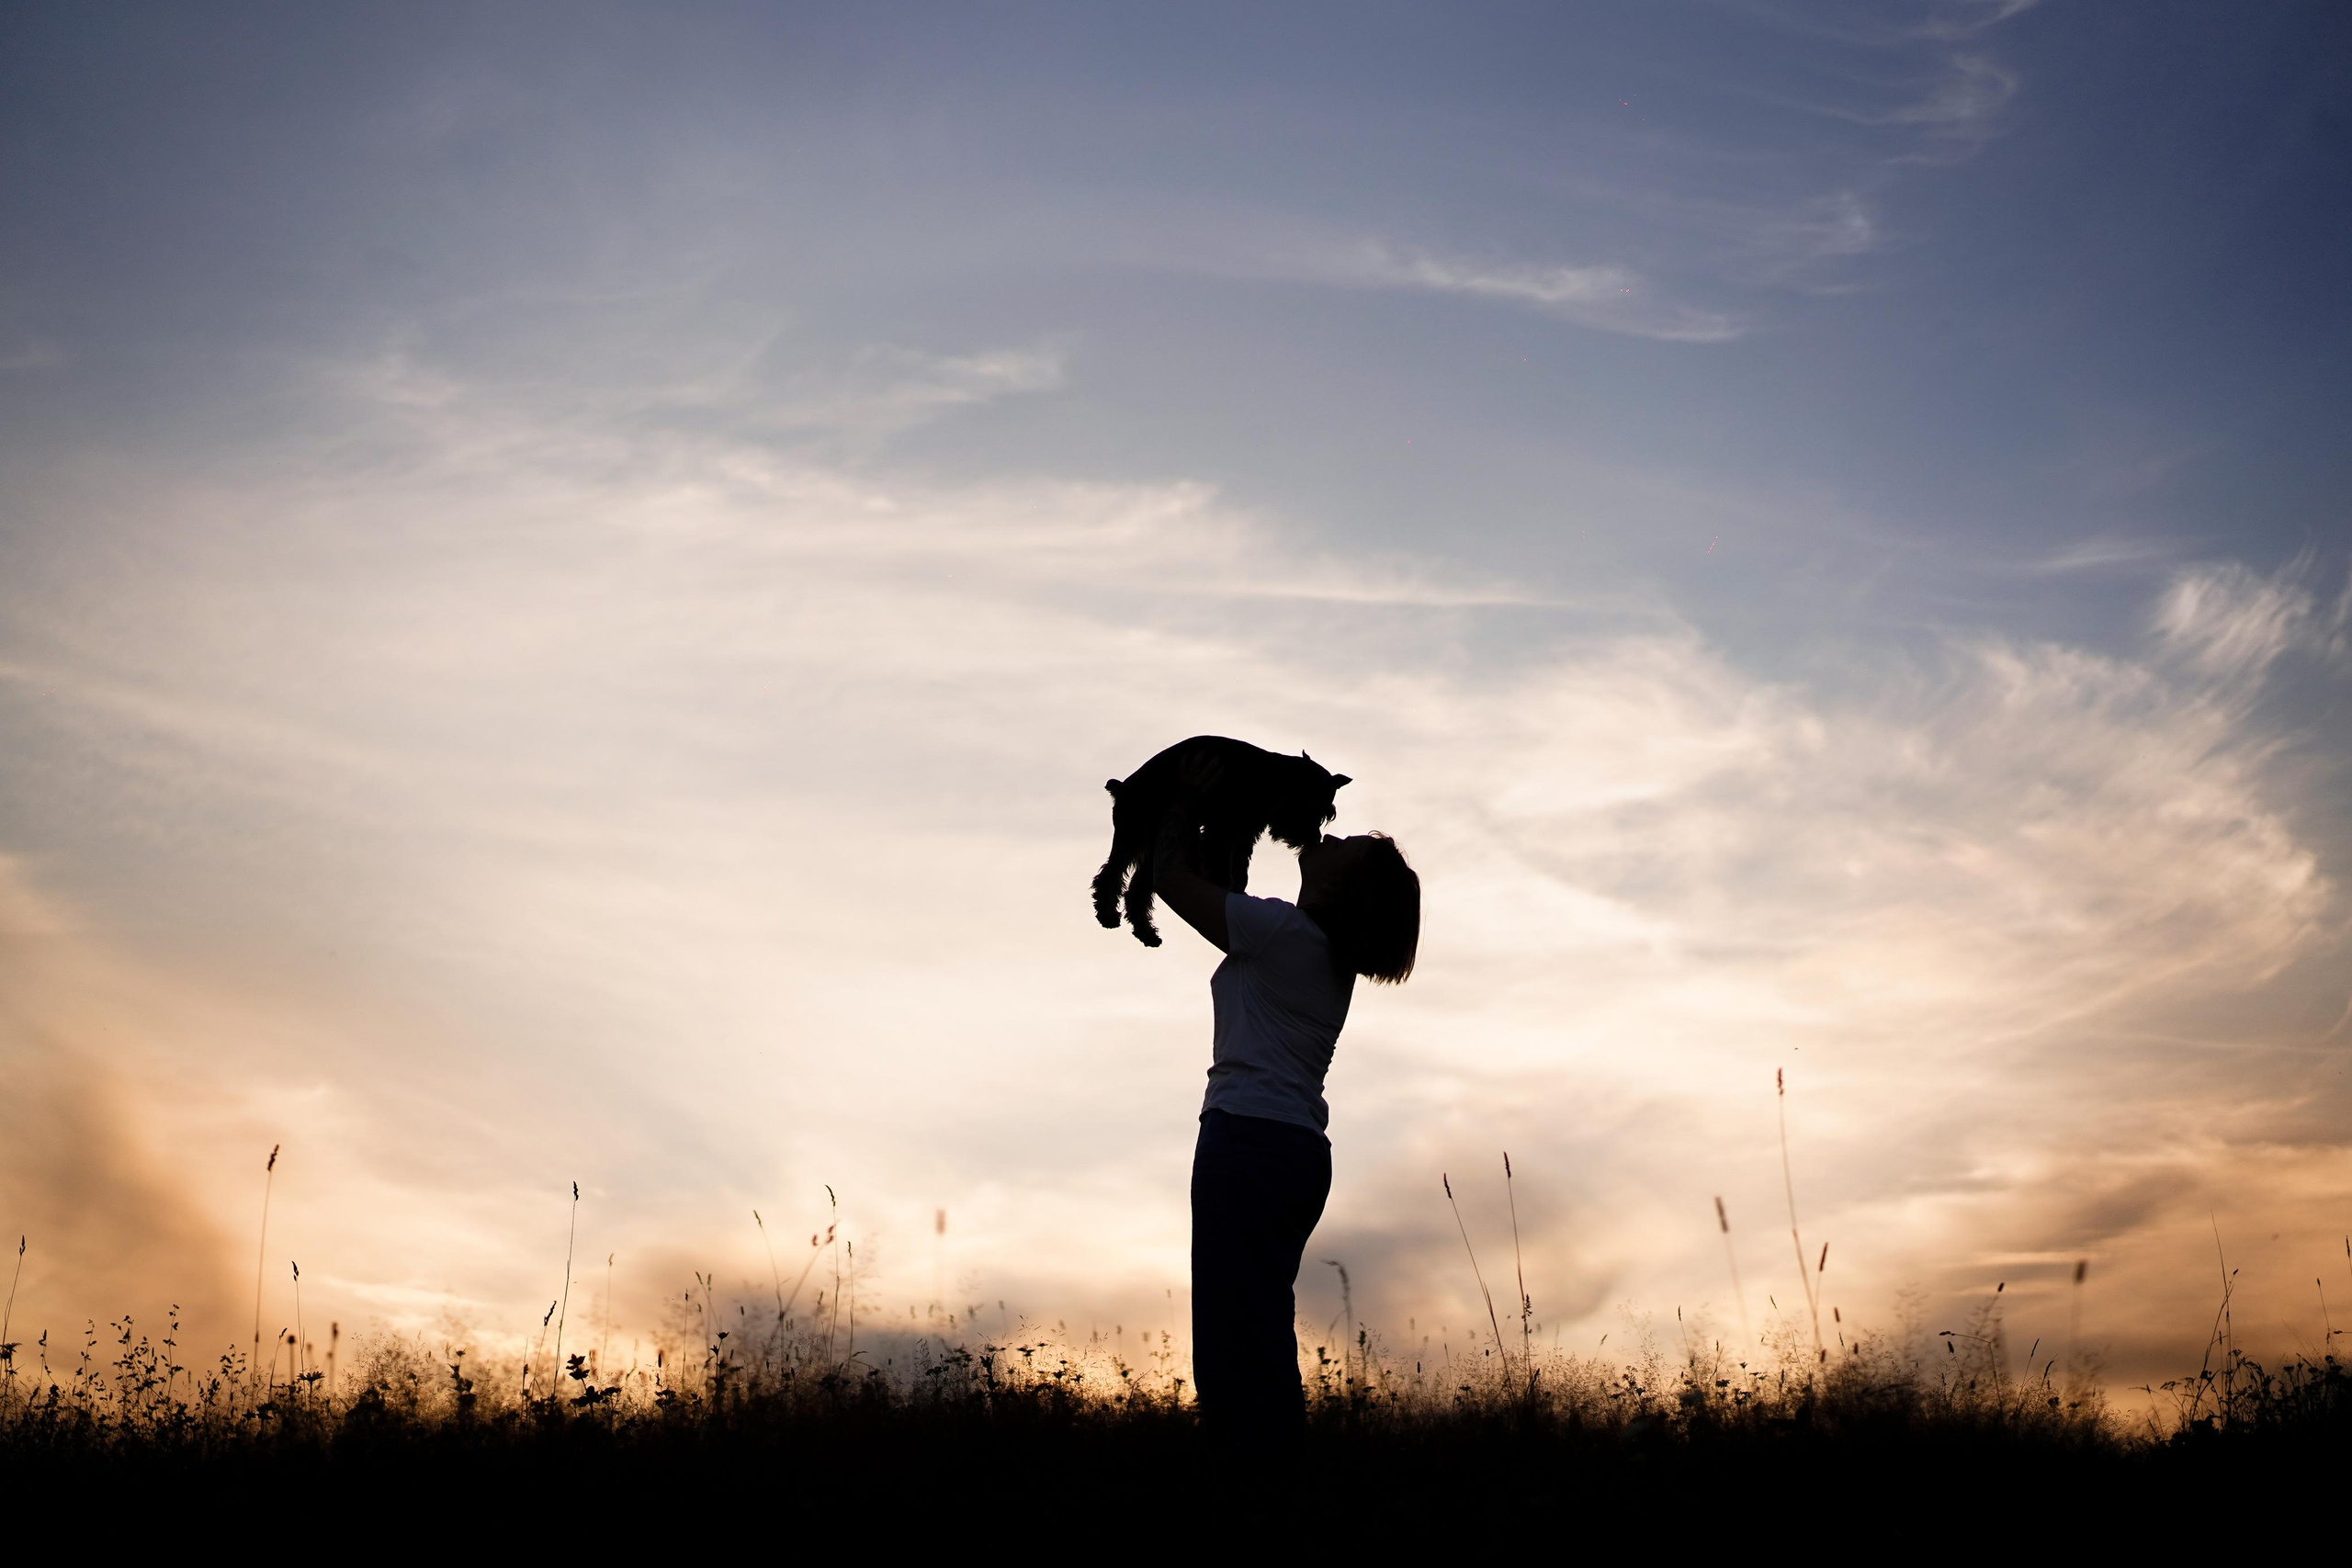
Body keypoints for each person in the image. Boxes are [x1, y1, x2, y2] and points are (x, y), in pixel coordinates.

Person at [1149, 753, 1420, 1442]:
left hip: (1248, 1139)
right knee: (1258, 1324)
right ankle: (1276, 1475)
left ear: (1340, 889)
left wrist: (1181, 800)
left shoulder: (1283, 934)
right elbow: (1218, 888)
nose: (1325, 839)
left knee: (1230, 1334)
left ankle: (1252, 1479)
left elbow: (1172, 881)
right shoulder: (1308, 950)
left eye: (1342, 849)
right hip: (1291, 1150)